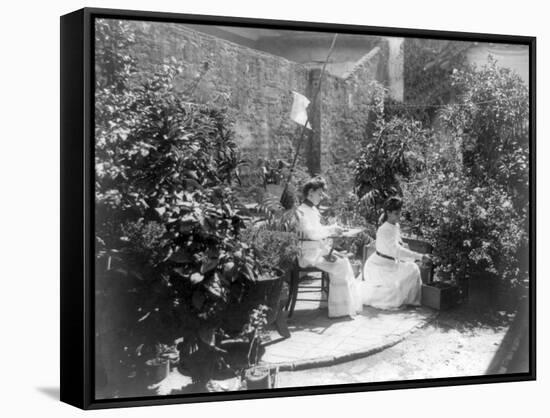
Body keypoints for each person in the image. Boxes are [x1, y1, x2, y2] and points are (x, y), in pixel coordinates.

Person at [295, 177, 362, 318]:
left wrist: (334, 229)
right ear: (310, 192)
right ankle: (339, 310)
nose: (321, 197)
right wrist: (331, 230)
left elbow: (319, 230)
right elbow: (312, 234)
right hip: (308, 254)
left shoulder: (312, 209)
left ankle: (341, 305)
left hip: (317, 250)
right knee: (341, 265)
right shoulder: (301, 211)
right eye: (319, 194)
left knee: (343, 261)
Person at [361, 196, 430, 310]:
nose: (399, 216)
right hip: (377, 267)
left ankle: (410, 301)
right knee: (397, 286)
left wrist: (411, 256)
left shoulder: (395, 226)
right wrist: (419, 256)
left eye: (400, 213)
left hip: (391, 264)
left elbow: (399, 244)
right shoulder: (384, 229)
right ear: (388, 212)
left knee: (412, 268)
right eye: (396, 213)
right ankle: (401, 300)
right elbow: (396, 250)